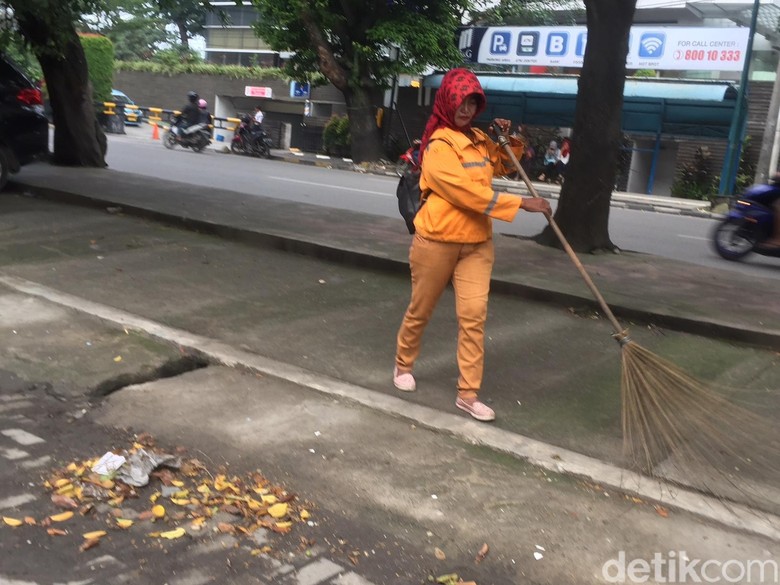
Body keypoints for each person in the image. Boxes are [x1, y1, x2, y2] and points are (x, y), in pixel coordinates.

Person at [393, 68, 551, 422]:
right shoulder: (438, 145)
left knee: (474, 317)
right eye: (460, 102)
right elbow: (463, 192)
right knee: (422, 308)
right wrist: (520, 204)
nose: (465, 109)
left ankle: (468, 393)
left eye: (472, 102)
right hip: (437, 239)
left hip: (477, 244)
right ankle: (403, 363)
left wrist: (508, 139)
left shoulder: (480, 138)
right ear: (447, 100)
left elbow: (503, 166)